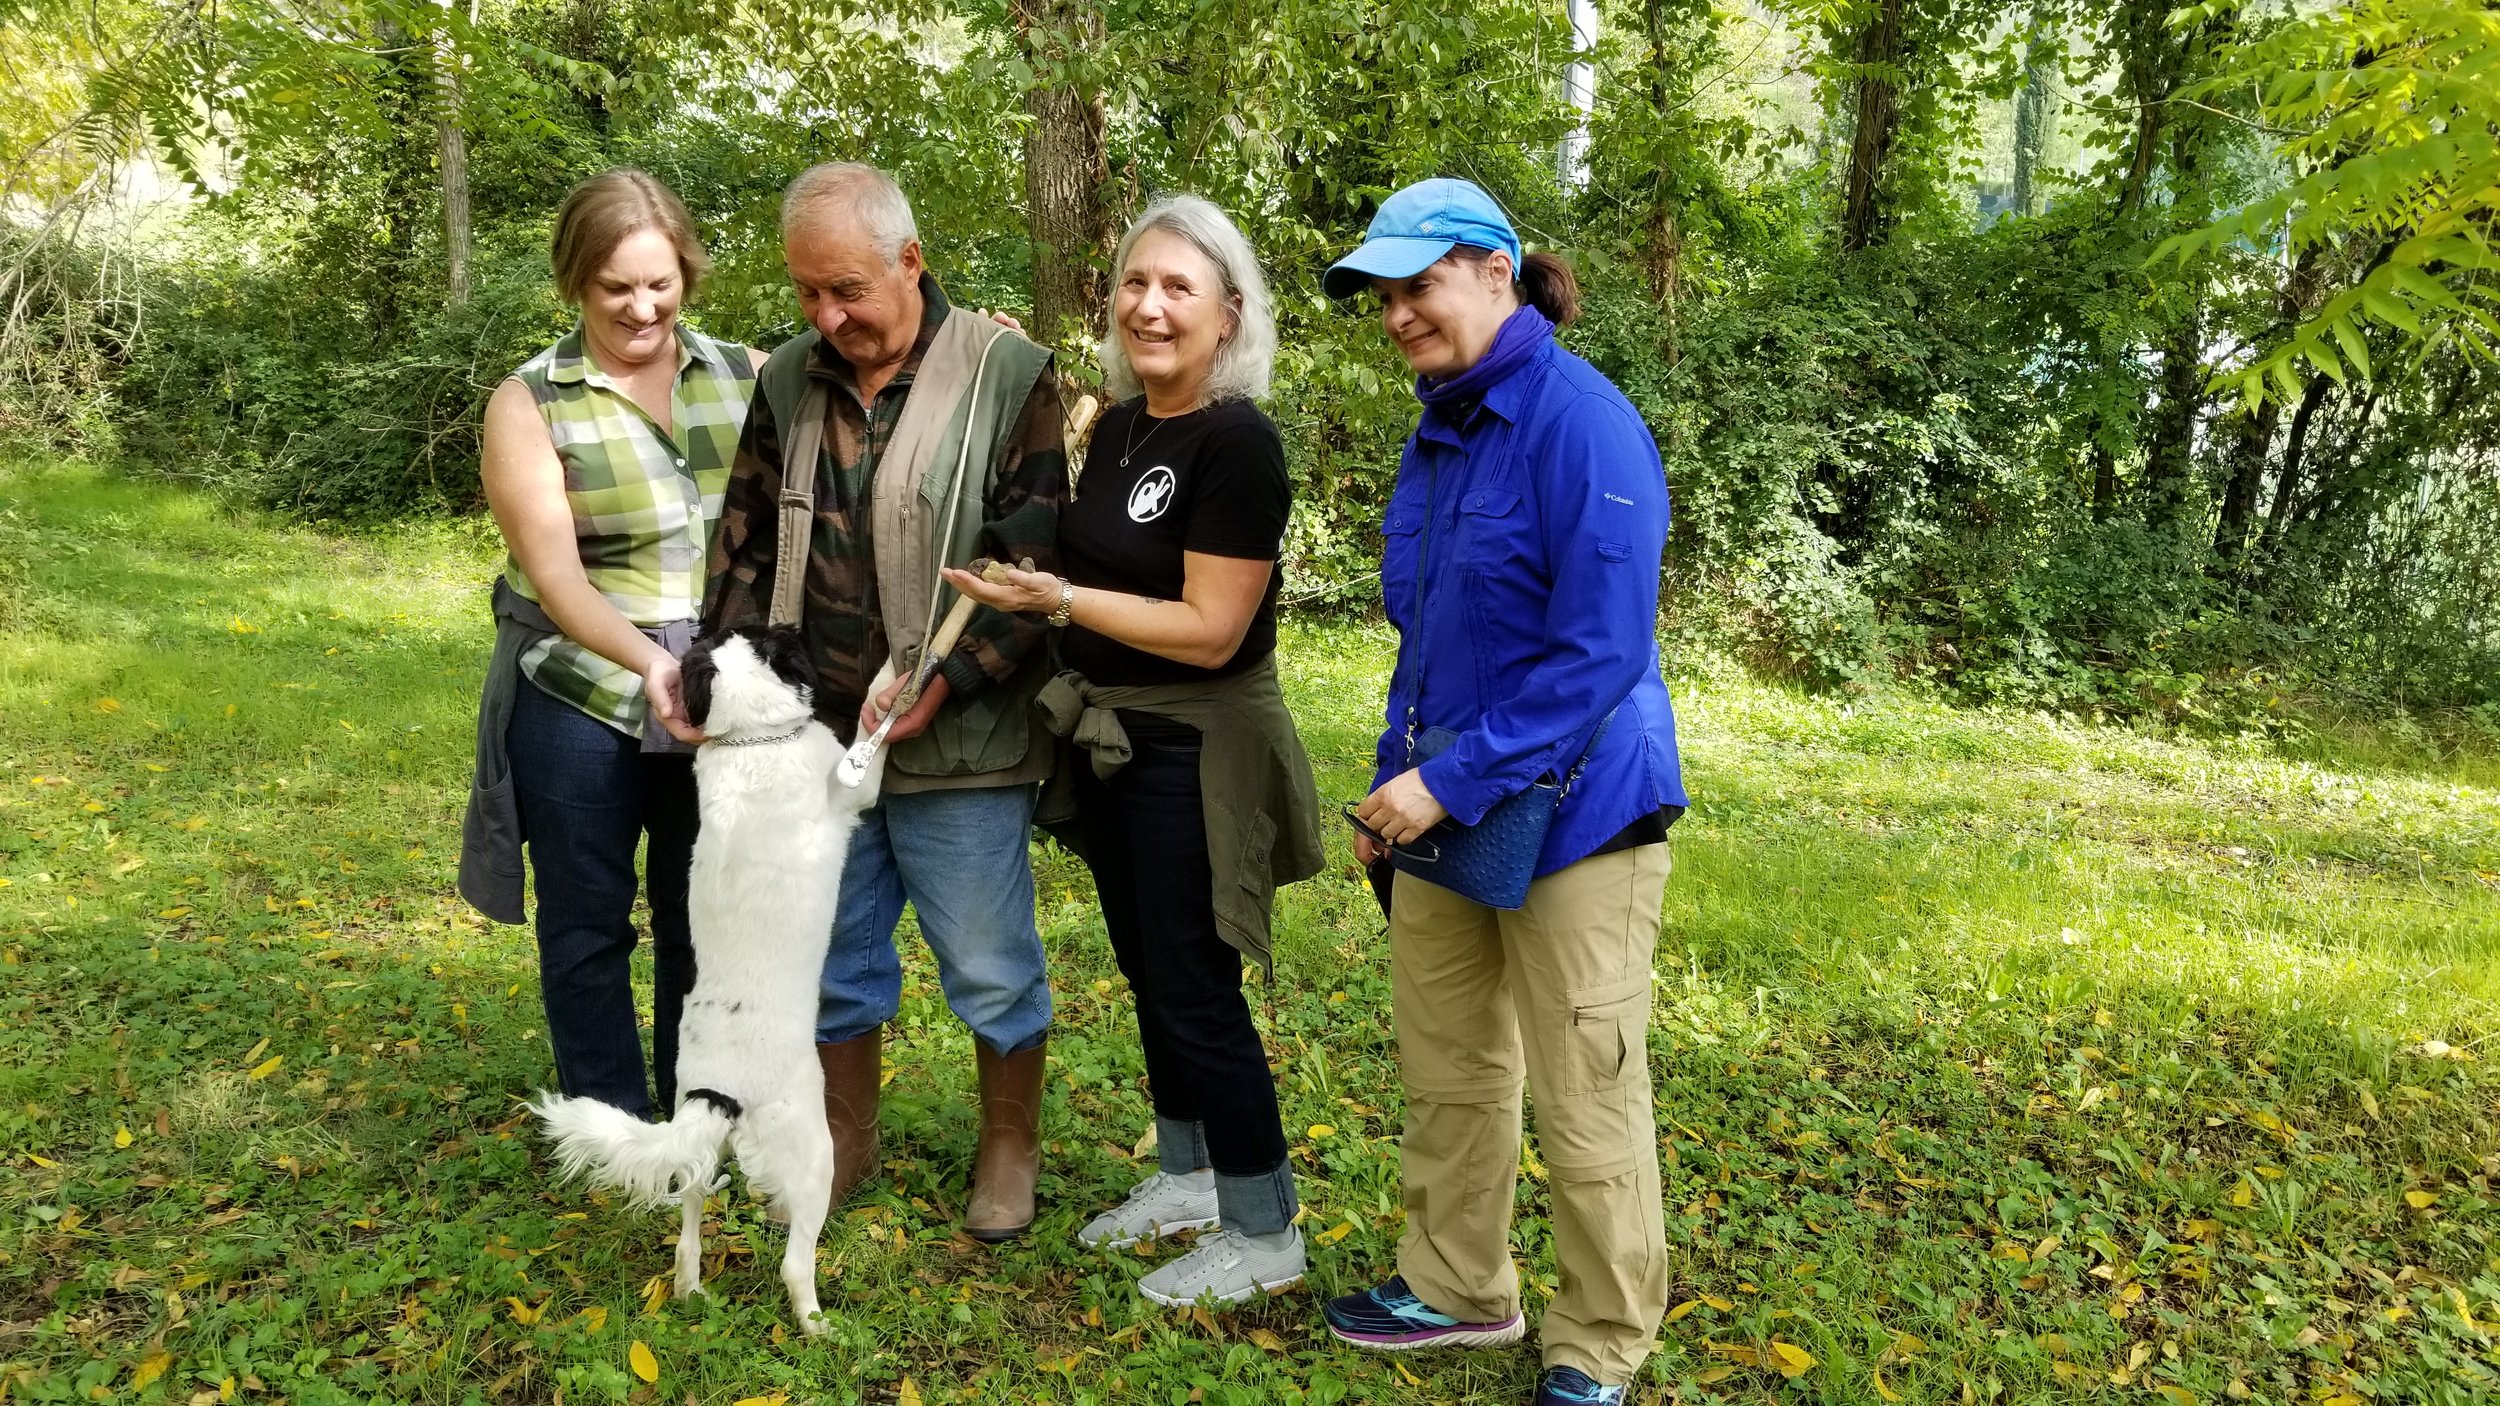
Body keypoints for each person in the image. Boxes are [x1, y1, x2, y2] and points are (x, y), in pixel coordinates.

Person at [1317, 179, 1690, 1406]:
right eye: (1384, 296)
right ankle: (1458, 1283)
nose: (1397, 315)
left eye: (1418, 285)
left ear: (1494, 270)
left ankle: (1598, 1341)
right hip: (1441, 802)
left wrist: (1449, 779)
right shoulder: (1443, 426)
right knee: (1451, 1064)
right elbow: (1424, 637)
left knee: (1586, 1089)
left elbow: (1601, 651)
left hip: (1581, 813)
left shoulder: (1580, 422)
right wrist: (1392, 786)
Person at [941, 195, 1324, 1306]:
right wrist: (1031, 587)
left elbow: (1210, 629)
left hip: (1195, 748)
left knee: (1197, 984)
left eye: (1178, 289)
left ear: (1228, 314)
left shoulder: (1237, 442)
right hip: (1112, 741)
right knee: (1147, 967)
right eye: (1135, 282)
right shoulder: (1117, 427)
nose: (1149, 306)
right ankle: (1188, 1174)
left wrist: (1061, 595)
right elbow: (1089, 566)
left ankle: (1264, 1229)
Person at [699, 163, 1067, 1242]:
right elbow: (745, 540)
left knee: (990, 960)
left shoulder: (1008, 372)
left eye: (848, 290)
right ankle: (843, 1133)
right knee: (829, 951)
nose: (826, 316)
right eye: (808, 292)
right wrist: (721, 684)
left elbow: (1031, 559)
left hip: (963, 734)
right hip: (816, 741)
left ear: (912, 261)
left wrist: (941, 684)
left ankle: (1008, 1143)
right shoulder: (788, 384)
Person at [457, 169, 761, 1119]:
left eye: (659, 284)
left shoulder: (747, 374)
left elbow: (878, 380)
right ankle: (607, 1121)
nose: (642, 307)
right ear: (575, 285)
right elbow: (558, 580)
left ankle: (690, 1114)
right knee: (586, 924)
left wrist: (971, 341)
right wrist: (650, 663)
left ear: (689, 275)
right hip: (580, 693)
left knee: (695, 920)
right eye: (614, 288)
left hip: (712, 694)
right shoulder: (529, 403)